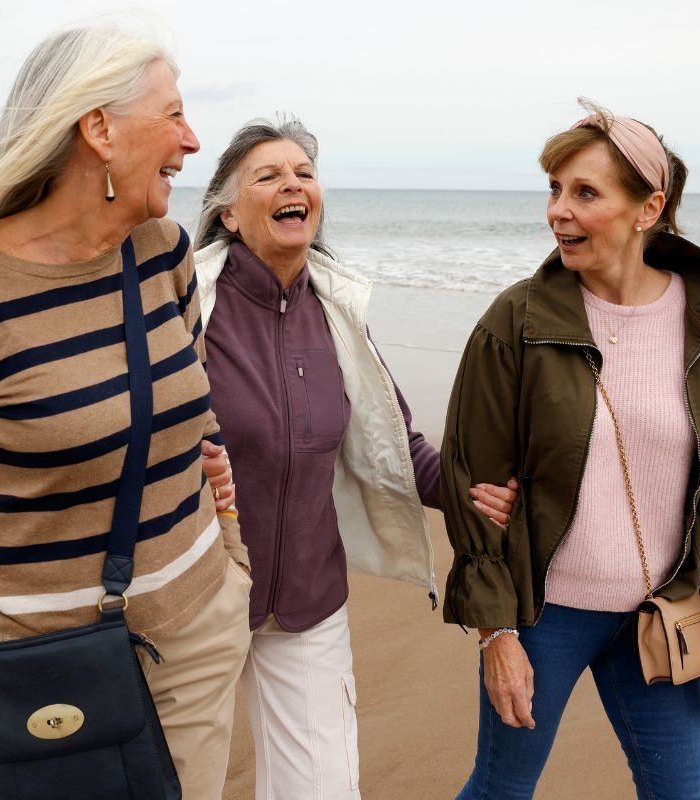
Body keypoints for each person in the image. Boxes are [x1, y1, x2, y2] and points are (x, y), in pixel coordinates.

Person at [0, 21, 250, 798]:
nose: (193, 140)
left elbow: (192, 408)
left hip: (200, 634)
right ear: (99, 130)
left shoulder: (163, 250)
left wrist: (228, 545)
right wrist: (9, 579)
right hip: (44, 668)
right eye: (173, 114)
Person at [440, 100, 700, 799]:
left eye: (585, 193)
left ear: (648, 208)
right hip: (544, 615)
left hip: (662, 612)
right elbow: (472, 481)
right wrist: (495, 635)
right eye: (554, 189)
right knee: (500, 790)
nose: (558, 212)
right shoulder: (515, 320)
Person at [193, 116, 516, 800]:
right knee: (177, 784)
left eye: (304, 173)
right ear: (227, 213)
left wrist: (474, 490)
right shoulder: (187, 305)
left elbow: (397, 445)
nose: (293, 184)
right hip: (199, 596)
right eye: (268, 175)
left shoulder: (339, 312)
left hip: (307, 598)